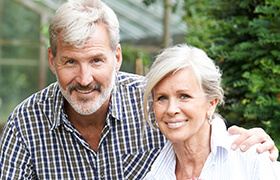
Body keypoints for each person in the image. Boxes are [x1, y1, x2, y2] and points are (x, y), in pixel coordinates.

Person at [0, 0, 278, 179]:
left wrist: (252, 147)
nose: (84, 79)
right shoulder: (25, 124)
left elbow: (195, 119)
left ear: (117, 57)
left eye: (97, 60)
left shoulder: (151, 99)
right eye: (70, 62)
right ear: (52, 60)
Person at [143, 44, 280, 179]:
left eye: (184, 96)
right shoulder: (155, 175)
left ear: (211, 103)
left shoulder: (249, 158)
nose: (171, 109)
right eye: (162, 98)